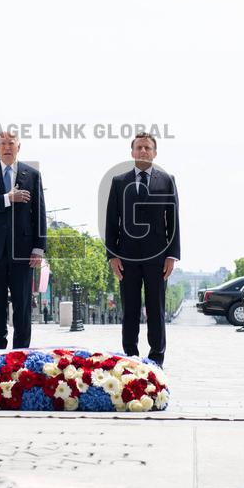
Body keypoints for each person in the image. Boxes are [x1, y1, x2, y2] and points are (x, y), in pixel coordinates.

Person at [104, 132, 180, 367]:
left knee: (156, 308)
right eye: (139, 147)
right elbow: (111, 220)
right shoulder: (119, 182)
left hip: (157, 256)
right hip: (126, 257)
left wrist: (172, 255)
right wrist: (112, 255)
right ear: (132, 152)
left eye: (148, 148)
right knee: (130, 308)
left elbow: (173, 220)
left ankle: (157, 357)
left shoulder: (167, 180)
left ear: (155, 153)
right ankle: (130, 356)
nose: (144, 151)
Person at [0, 131, 47, 350]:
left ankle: (20, 354)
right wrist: (7, 198)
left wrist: (39, 247)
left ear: (18, 147)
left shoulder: (32, 175)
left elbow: (39, 212)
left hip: (23, 251)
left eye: (11, 143)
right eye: (2, 143)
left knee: (22, 304)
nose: (7, 147)